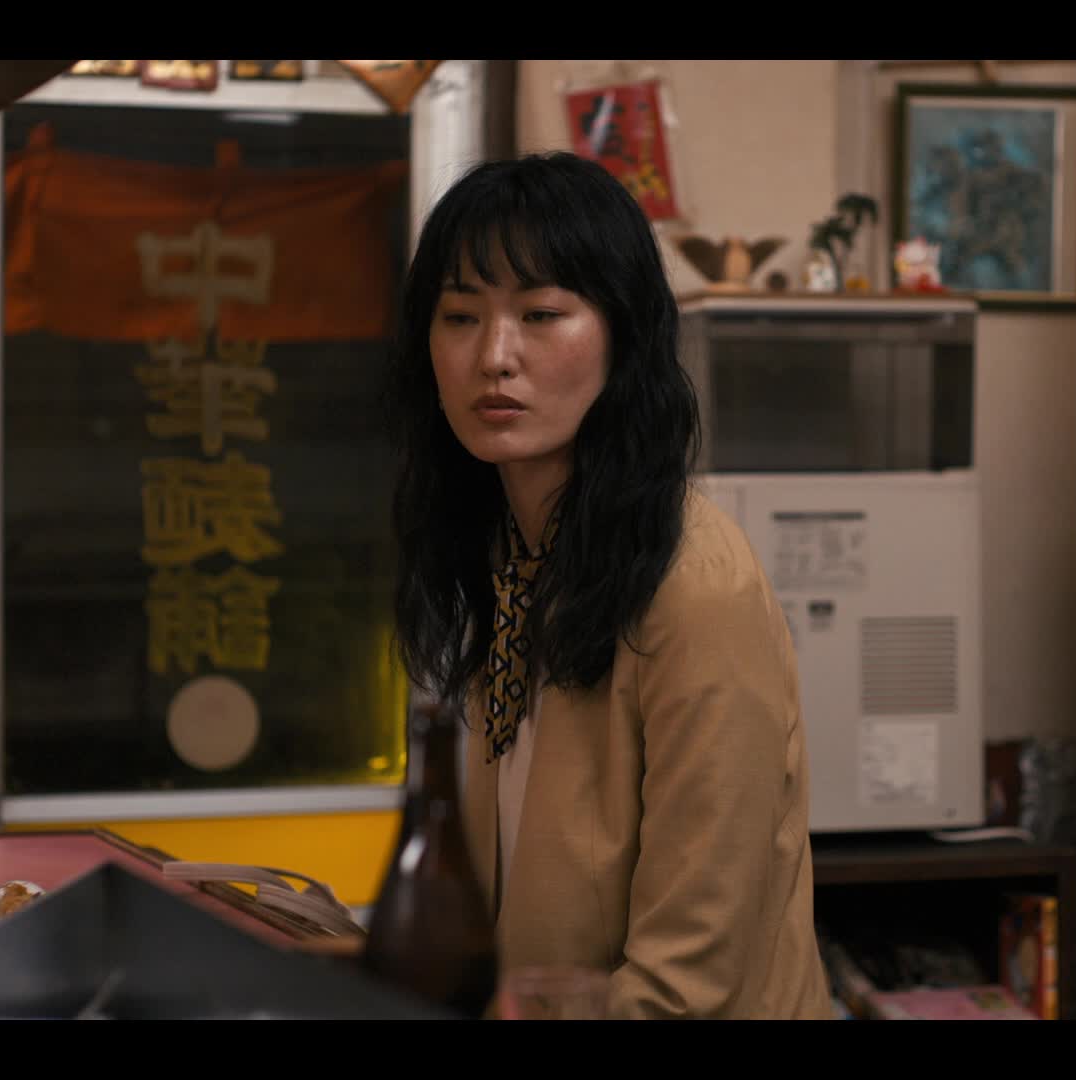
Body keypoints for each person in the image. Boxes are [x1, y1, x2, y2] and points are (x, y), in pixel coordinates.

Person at [384, 151, 836, 1020]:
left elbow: (685, 983)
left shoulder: (695, 584)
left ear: (623, 334)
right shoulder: (505, 552)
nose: (494, 356)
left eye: (542, 314)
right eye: (460, 316)